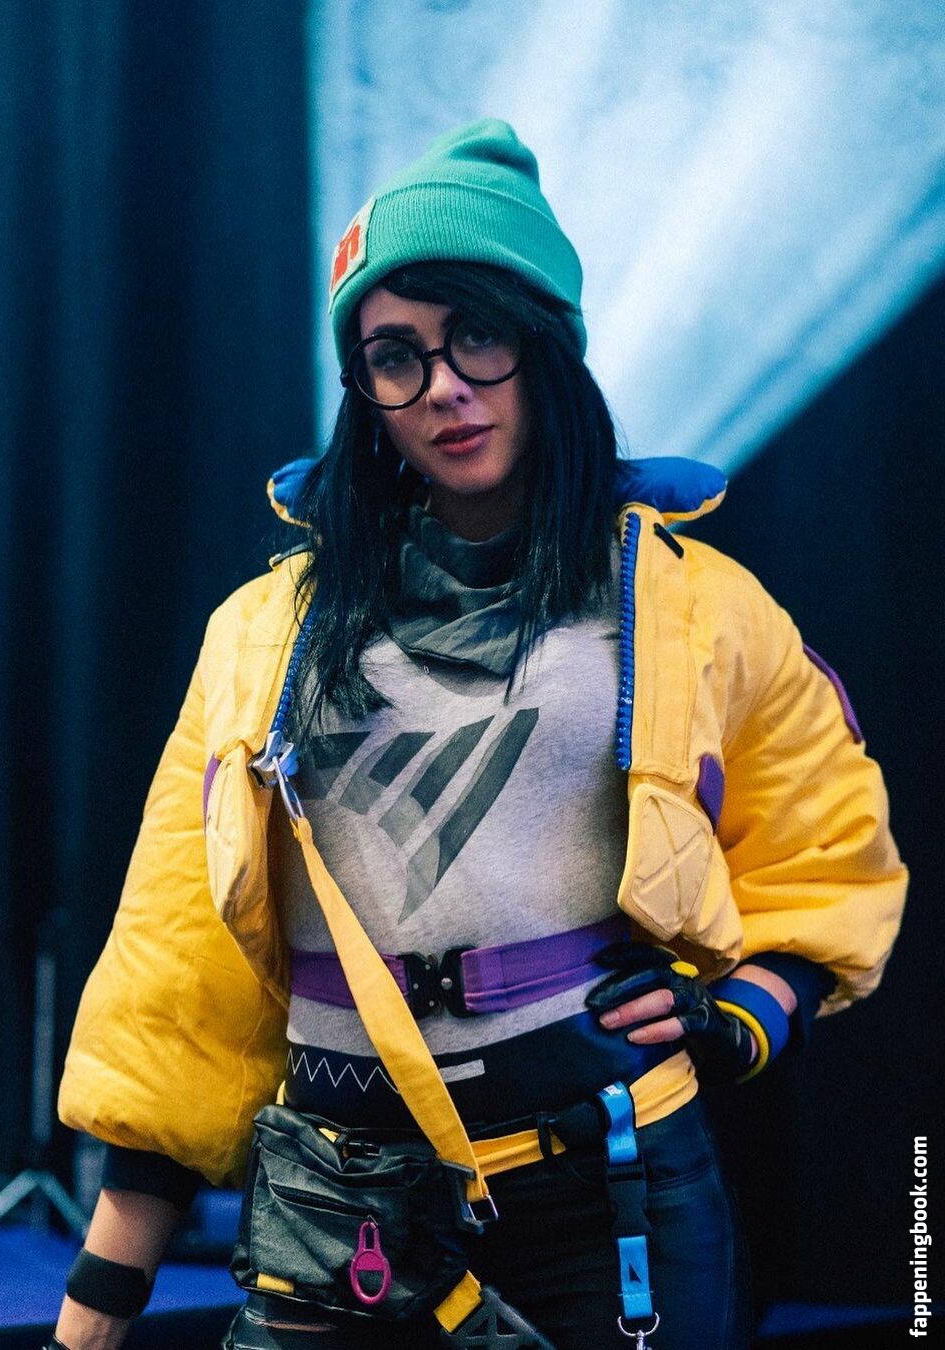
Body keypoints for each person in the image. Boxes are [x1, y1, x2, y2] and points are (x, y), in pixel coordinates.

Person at [49, 120, 907, 1350]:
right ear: (364, 395)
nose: (443, 385)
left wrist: (747, 1014)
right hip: (339, 1217)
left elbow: (828, 856)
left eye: (478, 336)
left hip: (611, 1200)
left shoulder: (694, 609)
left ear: (545, 342)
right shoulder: (266, 631)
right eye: (394, 357)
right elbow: (177, 977)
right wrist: (92, 1315)